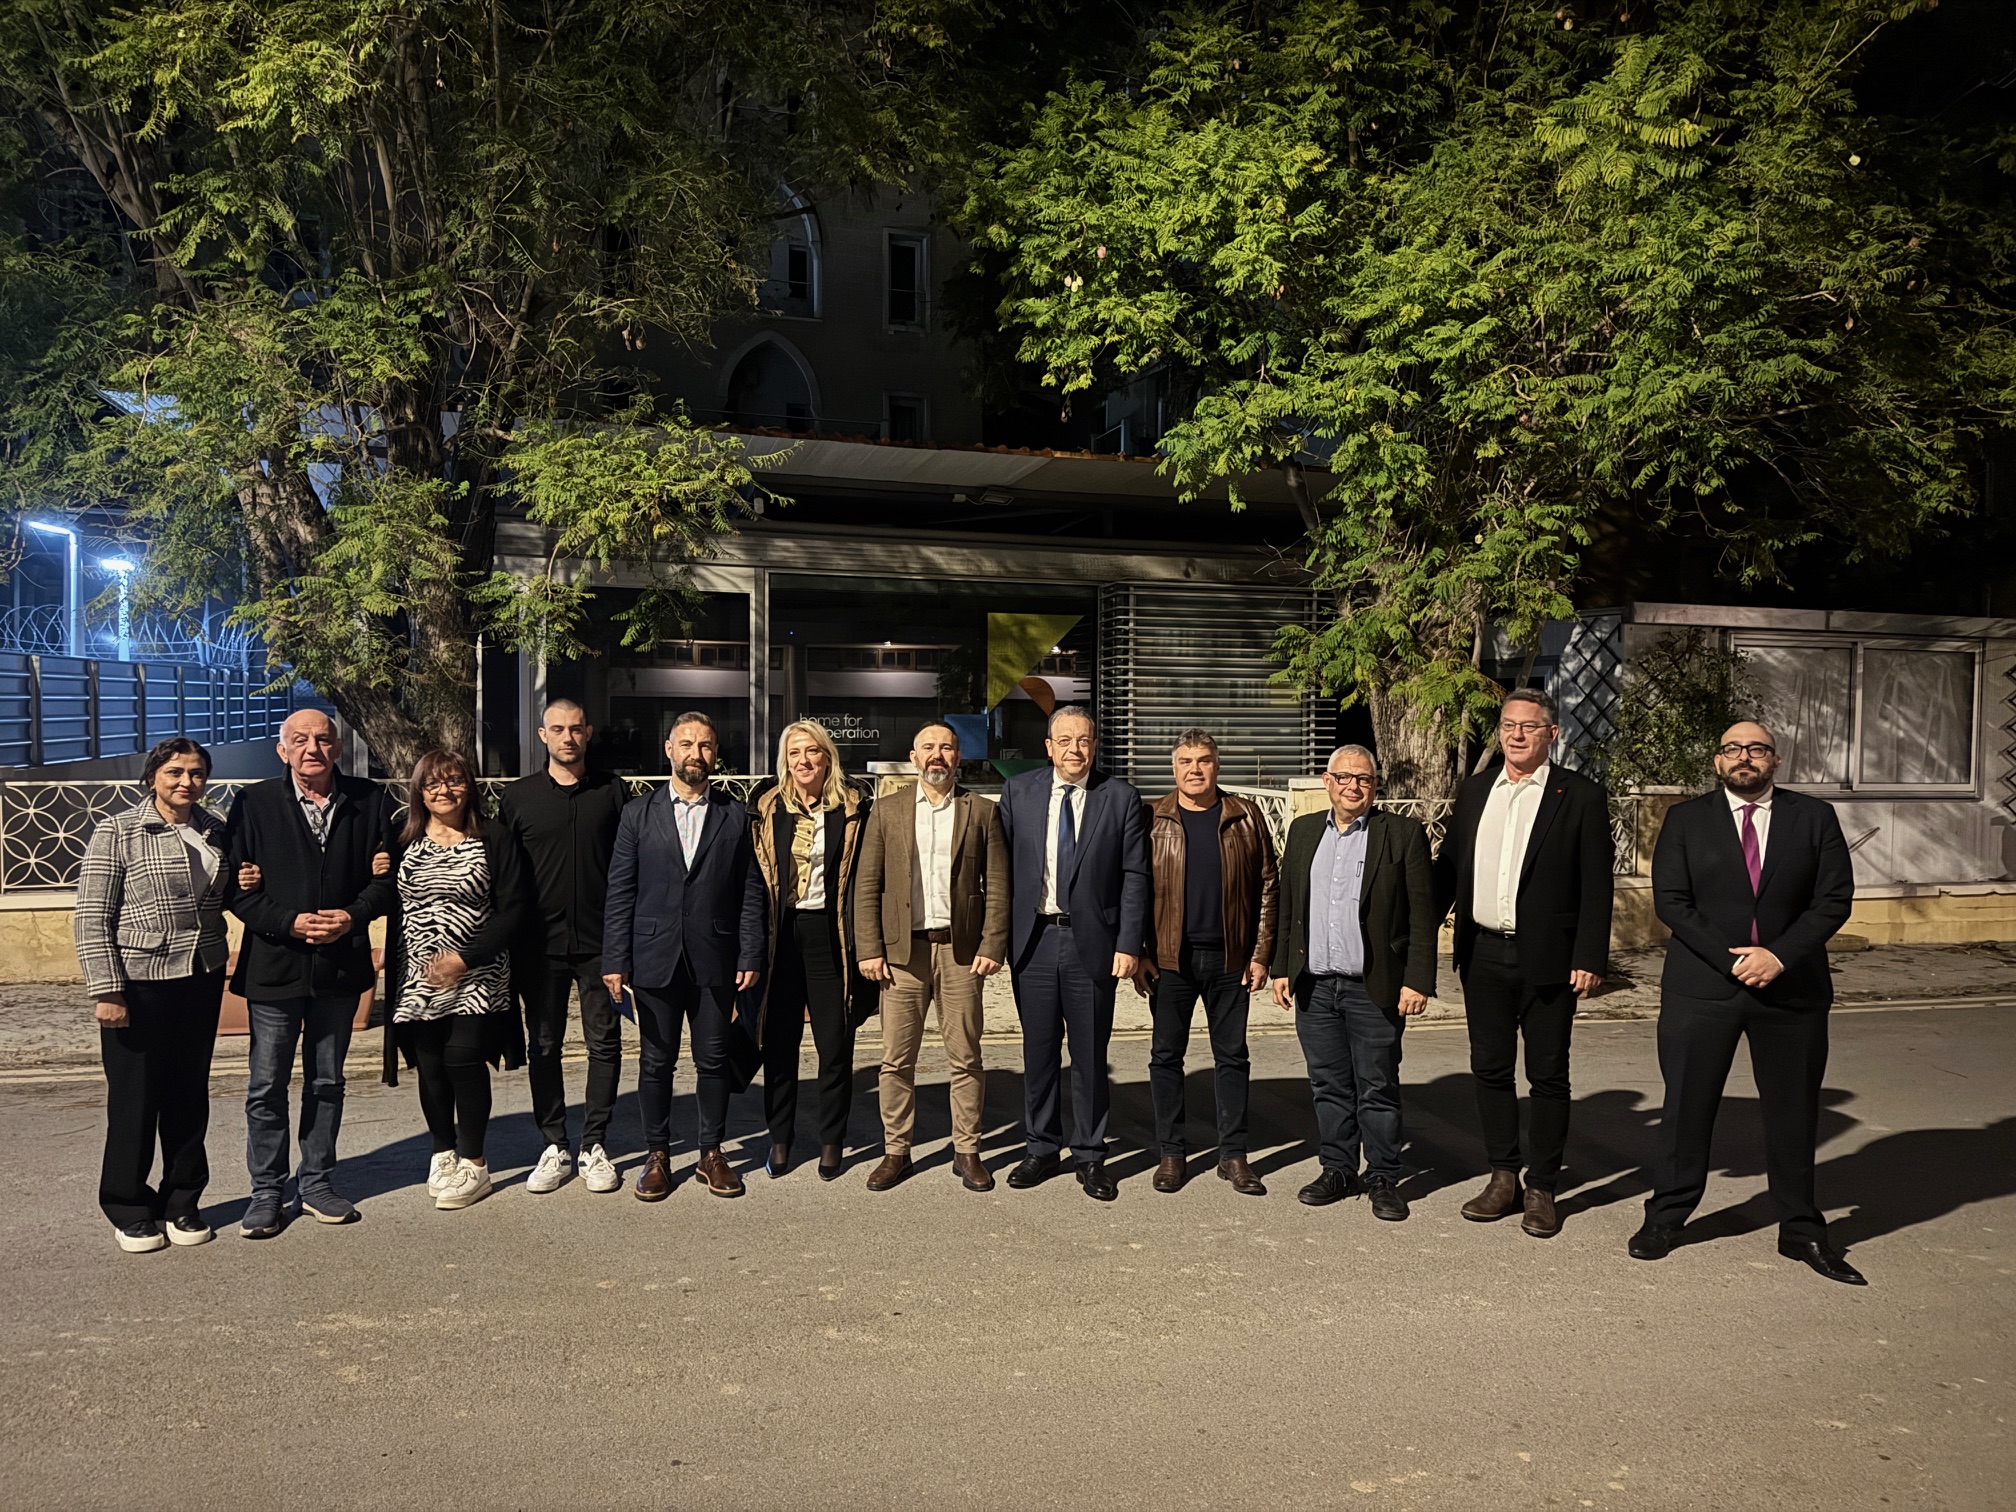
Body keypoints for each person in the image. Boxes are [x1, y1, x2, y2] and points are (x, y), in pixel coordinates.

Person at [1630, 720, 1862, 1283]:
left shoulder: (1814, 817)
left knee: (1793, 1112)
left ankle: (1801, 1230)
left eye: (1757, 749)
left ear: (1775, 761)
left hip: (1791, 988)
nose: (1744, 757)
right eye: (1733, 749)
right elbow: (1673, 902)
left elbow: (1833, 900)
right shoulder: (1686, 820)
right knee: (1686, 1107)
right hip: (1703, 988)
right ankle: (1667, 1216)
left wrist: (1778, 956)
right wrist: (1734, 960)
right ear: (1718, 761)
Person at [1435, 688, 1613, 1238]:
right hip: (1482, 952)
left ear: (1551, 734)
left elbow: (1596, 883)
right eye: (1508, 725)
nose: (1515, 735)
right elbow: (1447, 871)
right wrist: (1412, 945)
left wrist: (1589, 955)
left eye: (1528, 726)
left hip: (1551, 959)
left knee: (1547, 1075)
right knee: (1490, 1070)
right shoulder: (1475, 790)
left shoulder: (1579, 795)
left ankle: (1542, 1187)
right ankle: (1503, 1176)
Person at [225, 709, 398, 1238]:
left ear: (338, 748)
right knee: (266, 1084)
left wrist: (352, 916)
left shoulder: (369, 801)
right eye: (299, 740)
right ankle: (267, 1191)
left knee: (327, 1081)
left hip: (339, 967)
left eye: (323, 739)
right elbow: (235, 888)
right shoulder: (253, 803)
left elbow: (388, 881)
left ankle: (318, 1181)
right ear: (282, 750)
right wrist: (288, 923)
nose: (312, 748)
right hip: (275, 964)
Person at [74, 738, 250, 1252]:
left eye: (196, 773)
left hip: (200, 975)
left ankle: (182, 1201)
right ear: (153, 776)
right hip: (138, 981)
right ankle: (128, 1206)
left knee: (188, 1095)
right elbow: (92, 915)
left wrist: (247, 879)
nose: (186, 782)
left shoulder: (215, 829)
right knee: (135, 1099)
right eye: (175, 772)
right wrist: (107, 989)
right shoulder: (119, 830)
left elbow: (224, 894)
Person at [603, 711, 766, 1199]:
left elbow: (750, 891)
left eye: (706, 745)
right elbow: (620, 891)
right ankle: (657, 1155)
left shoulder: (735, 815)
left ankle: (711, 1153)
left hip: (717, 956)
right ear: (669, 750)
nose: (697, 753)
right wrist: (614, 959)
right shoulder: (638, 813)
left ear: (716, 753)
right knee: (656, 1062)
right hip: (653, 956)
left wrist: (751, 952)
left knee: (713, 1060)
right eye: (687, 744)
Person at [1269, 745, 1435, 1221]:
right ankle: (1338, 1169)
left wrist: (1417, 980)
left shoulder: (1401, 834)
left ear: (1375, 786)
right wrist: (1281, 968)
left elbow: (1422, 914)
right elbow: (1289, 907)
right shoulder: (1304, 832)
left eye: (1363, 779)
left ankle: (1382, 1176)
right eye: (1344, 777)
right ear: (1328, 781)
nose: (1353, 786)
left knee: (1377, 1085)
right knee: (1328, 1084)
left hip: (1374, 987)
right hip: (1315, 986)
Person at [996, 705, 1150, 1202]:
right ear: (1048, 747)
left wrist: (1129, 943)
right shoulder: (1018, 792)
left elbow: (1135, 876)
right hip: (1034, 941)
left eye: (1083, 740)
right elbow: (999, 873)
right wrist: (995, 940)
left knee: (1089, 1054)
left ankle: (1089, 1155)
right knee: (1039, 1053)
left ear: (1095, 745)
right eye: (1064, 741)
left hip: (1094, 946)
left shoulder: (1120, 797)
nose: (1074, 750)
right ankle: (1041, 1148)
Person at [855, 721, 1010, 1192]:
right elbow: (868, 884)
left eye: (946, 747)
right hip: (903, 953)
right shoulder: (887, 810)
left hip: (960, 953)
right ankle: (896, 1151)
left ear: (958, 757)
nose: (937, 755)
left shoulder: (981, 811)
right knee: (896, 1059)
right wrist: (870, 948)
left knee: (966, 1056)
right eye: (928, 747)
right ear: (914, 757)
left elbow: (998, 884)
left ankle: (968, 1151)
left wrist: (992, 944)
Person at [381, 750, 531, 1210]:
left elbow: (515, 908)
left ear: (470, 787)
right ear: (419, 791)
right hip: (419, 977)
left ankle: (474, 1163)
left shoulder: (493, 837)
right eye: (432, 783)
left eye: (454, 781)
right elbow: (382, 896)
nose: (443, 791)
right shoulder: (402, 839)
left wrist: (465, 958)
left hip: (479, 972)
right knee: (430, 1066)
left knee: (463, 1059)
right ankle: (442, 1153)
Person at [1137, 728, 1278, 1196]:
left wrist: (1261, 954)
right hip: (1169, 960)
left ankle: (1233, 1155)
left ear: (1217, 765)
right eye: (1185, 761)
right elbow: (1133, 888)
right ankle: (1171, 1153)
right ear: (1173, 767)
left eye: (1203, 761)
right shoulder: (1152, 817)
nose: (1194, 770)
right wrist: (1140, 953)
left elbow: (1268, 885)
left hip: (1230, 959)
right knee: (1165, 1058)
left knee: (1232, 1057)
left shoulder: (1245, 815)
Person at [498, 699, 630, 1196]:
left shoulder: (613, 791)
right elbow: (502, 872)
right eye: (558, 729)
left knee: (605, 1044)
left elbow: (630, 867)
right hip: (539, 947)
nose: (568, 737)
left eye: (576, 729)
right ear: (543, 735)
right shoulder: (518, 798)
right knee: (544, 1045)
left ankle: (595, 1144)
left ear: (588, 732)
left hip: (602, 944)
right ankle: (554, 1144)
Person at [751, 720, 872, 1182]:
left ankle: (831, 1141)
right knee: (780, 1045)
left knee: (834, 1044)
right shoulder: (766, 806)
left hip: (830, 933)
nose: (804, 760)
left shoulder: (854, 806)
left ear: (827, 757)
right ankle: (779, 1139)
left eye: (812, 751)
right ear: (785, 760)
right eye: (794, 752)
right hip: (781, 934)